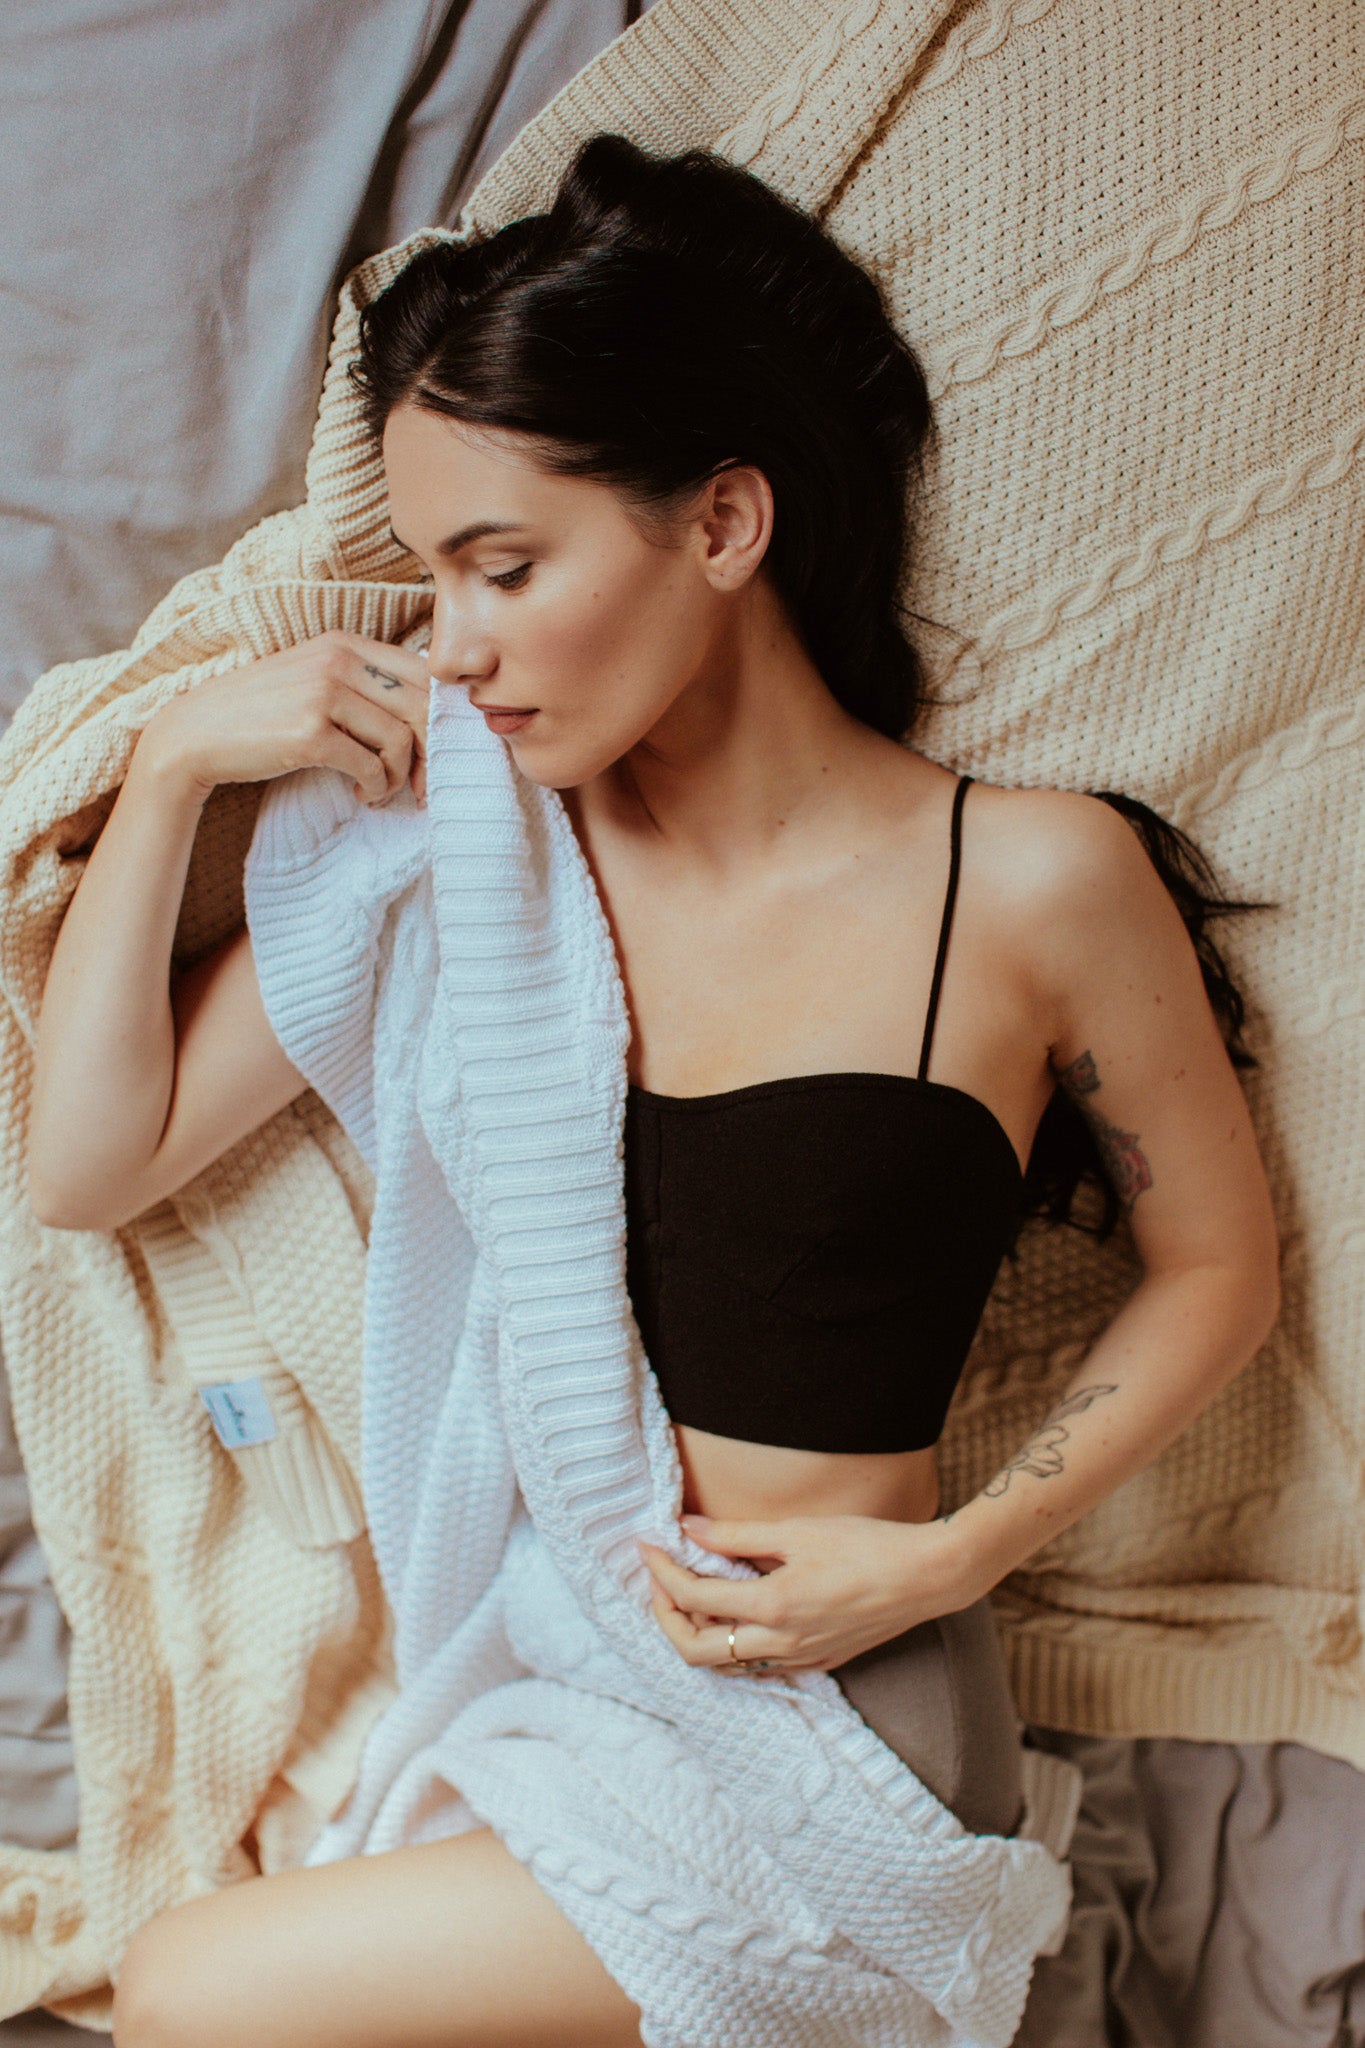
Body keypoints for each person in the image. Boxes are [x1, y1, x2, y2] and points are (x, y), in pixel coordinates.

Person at [28, 135, 1279, 2048]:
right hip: (572, 1686)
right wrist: (185, 766)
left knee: (194, 1989)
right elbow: (89, 1163)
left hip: (842, 1719)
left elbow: (1217, 1270)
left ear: (721, 525)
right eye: (431, 578)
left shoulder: (1027, 881)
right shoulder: (459, 863)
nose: (456, 644)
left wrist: (953, 1552)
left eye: (506, 568)